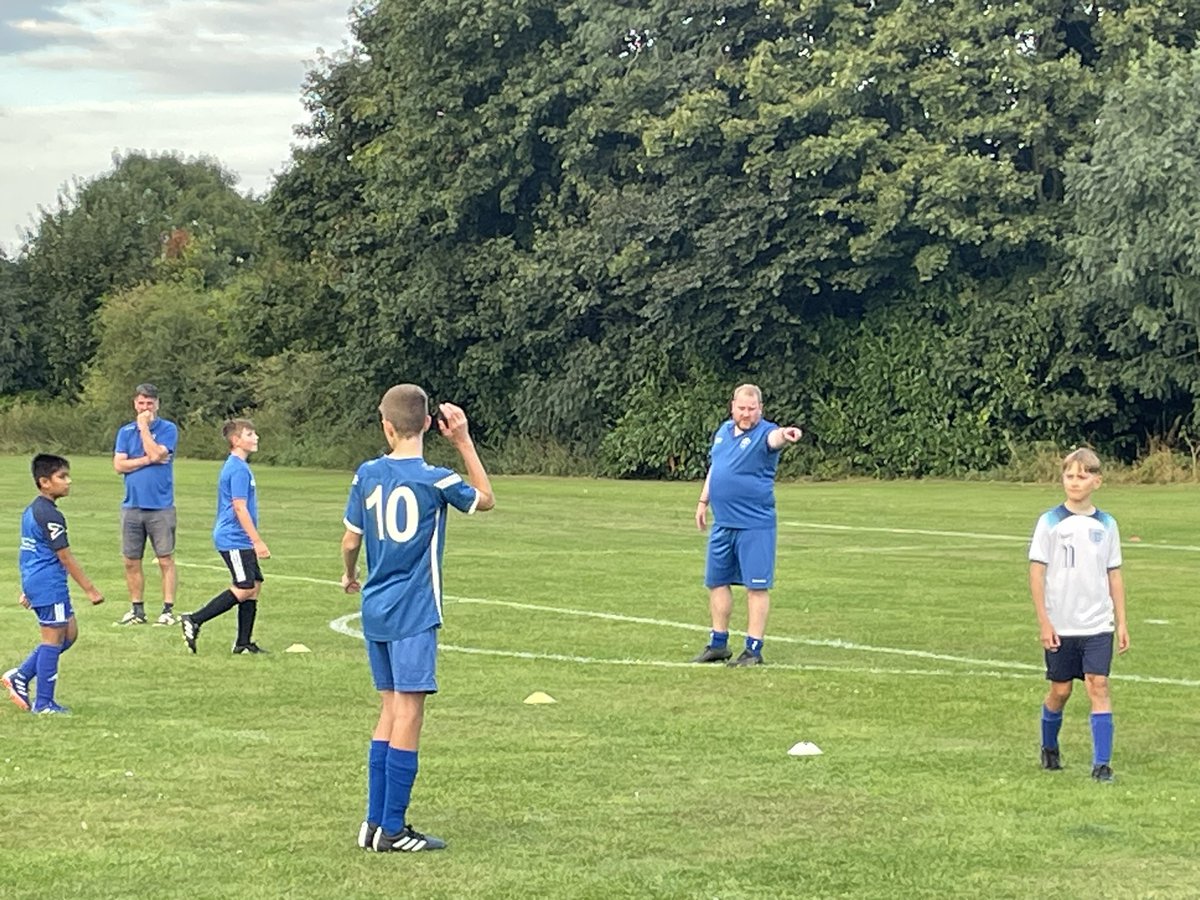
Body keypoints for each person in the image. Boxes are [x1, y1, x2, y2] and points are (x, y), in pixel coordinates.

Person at [340, 385, 494, 853]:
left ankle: (372, 822)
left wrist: (350, 576)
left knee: (388, 707)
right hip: (414, 610)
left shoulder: (365, 474)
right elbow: (485, 498)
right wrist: (464, 442)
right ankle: (393, 828)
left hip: (375, 609)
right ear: (428, 424)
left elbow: (350, 541)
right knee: (408, 712)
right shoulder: (436, 479)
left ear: (385, 426)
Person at [1029, 447, 1129, 782]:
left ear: (1097, 481)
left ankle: (1102, 765)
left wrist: (1122, 621)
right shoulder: (1050, 522)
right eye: (1069, 475)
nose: (1075, 481)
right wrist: (1045, 621)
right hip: (1061, 624)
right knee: (1060, 691)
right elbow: (1036, 574)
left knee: (1098, 685)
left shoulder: (1107, 524)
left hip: (1098, 623)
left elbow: (1114, 574)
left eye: (1082, 475)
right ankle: (1049, 746)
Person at [692, 384, 802, 667]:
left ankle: (753, 649)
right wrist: (703, 501)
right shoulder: (723, 432)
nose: (746, 414)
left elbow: (775, 439)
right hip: (723, 523)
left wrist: (786, 435)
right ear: (733, 407)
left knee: (756, 587)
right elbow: (716, 468)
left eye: (752, 409)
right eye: (742, 408)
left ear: (760, 409)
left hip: (755, 524)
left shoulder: (765, 433)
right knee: (716, 582)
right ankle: (718, 644)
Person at [2, 454, 105, 715]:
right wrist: (90, 589)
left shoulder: (32, 510)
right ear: (44, 482)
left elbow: (29, 551)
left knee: (69, 634)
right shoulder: (49, 516)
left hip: (40, 581)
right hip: (48, 583)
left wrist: (28, 587)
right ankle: (44, 702)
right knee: (53, 638)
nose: (68, 482)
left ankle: (21, 675)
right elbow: (65, 557)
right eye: (62, 477)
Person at [179, 419, 270, 655]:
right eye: (250, 434)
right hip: (233, 538)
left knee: (255, 585)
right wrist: (257, 541)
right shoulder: (237, 469)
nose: (256, 437)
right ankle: (194, 619)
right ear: (236, 440)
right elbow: (240, 508)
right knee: (244, 586)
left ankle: (243, 642)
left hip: (239, 538)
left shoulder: (239, 466)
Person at [112, 382, 179, 626]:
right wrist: (147, 459)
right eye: (141, 403)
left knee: (165, 559)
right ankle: (137, 610)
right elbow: (119, 465)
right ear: (135, 403)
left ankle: (167, 610)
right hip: (132, 506)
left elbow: (159, 453)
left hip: (160, 506)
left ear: (157, 404)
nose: (145, 408)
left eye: (150, 403)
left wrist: (143, 430)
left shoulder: (168, 429)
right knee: (131, 560)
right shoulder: (124, 432)